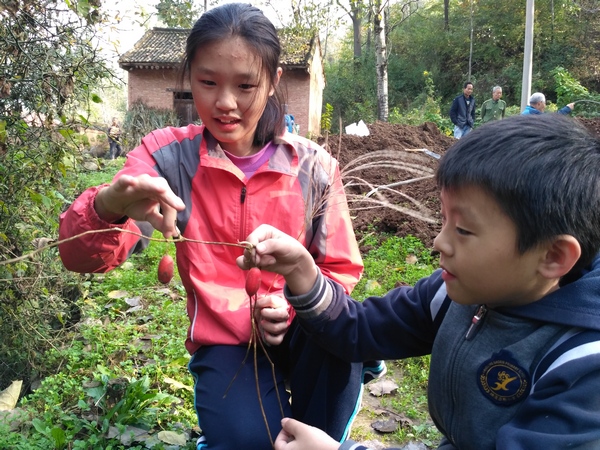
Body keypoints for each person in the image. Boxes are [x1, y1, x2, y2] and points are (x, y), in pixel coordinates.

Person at [58, 4, 383, 450]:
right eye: (208, 82)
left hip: (308, 331)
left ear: (273, 83)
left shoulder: (315, 168)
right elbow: (79, 256)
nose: (224, 103)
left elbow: (340, 268)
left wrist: (292, 303)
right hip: (227, 343)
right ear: (189, 76)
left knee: (320, 423)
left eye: (245, 85)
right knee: (251, 442)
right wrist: (108, 205)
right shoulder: (166, 159)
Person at [238, 114, 600, 450]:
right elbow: (359, 328)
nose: (439, 242)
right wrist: (302, 270)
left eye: (463, 230)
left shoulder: (582, 365)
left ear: (553, 257)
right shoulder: (454, 293)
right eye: (443, 221)